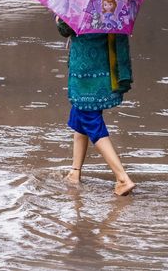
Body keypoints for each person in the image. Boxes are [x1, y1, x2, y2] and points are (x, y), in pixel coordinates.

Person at [56, 16, 136, 196]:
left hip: (85, 70)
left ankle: (122, 178)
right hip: (105, 65)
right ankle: (74, 172)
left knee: (89, 119)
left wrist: (58, 19)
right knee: (80, 114)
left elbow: (64, 28)